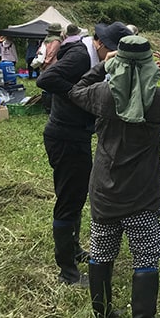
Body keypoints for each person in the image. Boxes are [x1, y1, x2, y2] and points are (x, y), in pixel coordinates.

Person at [68, 35, 160, 318]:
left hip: (104, 192)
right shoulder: (158, 99)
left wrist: (101, 67)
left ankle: (103, 314)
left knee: (101, 252)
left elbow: (75, 91)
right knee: (146, 259)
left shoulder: (103, 92)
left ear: (117, 60)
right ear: (151, 65)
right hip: (143, 194)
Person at [35, 21, 131, 287]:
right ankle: (68, 273)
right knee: (68, 201)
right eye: (110, 50)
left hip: (75, 135)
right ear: (99, 42)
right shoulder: (80, 55)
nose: (111, 56)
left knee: (76, 196)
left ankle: (74, 250)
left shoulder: (88, 54)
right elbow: (46, 79)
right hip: (65, 137)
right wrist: (77, 95)